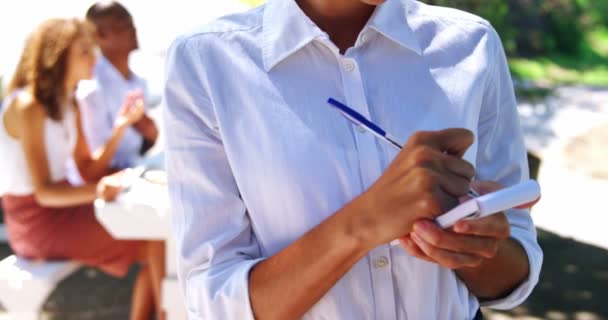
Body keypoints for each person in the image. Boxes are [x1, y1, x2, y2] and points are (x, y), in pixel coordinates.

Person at [163, 0, 543, 319]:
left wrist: (471, 244)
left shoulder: (470, 45)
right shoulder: (207, 62)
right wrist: (365, 222)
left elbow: (515, 274)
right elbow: (213, 299)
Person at [0, 18, 165, 320]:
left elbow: (88, 168)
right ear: (58, 55)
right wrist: (97, 191)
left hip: (65, 208)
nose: (95, 58)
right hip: (34, 220)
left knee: (156, 236)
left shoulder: (68, 102)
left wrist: (119, 129)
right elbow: (45, 193)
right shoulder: (28, 106)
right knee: (154, 238)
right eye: (85, 52)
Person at [76, 1, 158, 172]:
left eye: (132, 23)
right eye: (124, 24)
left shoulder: (138, 81)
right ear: (100, 34)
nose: (133, 29)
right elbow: (93, 166)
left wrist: (150, 137)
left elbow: (134, 149)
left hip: (130, 175)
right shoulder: (91, 87)